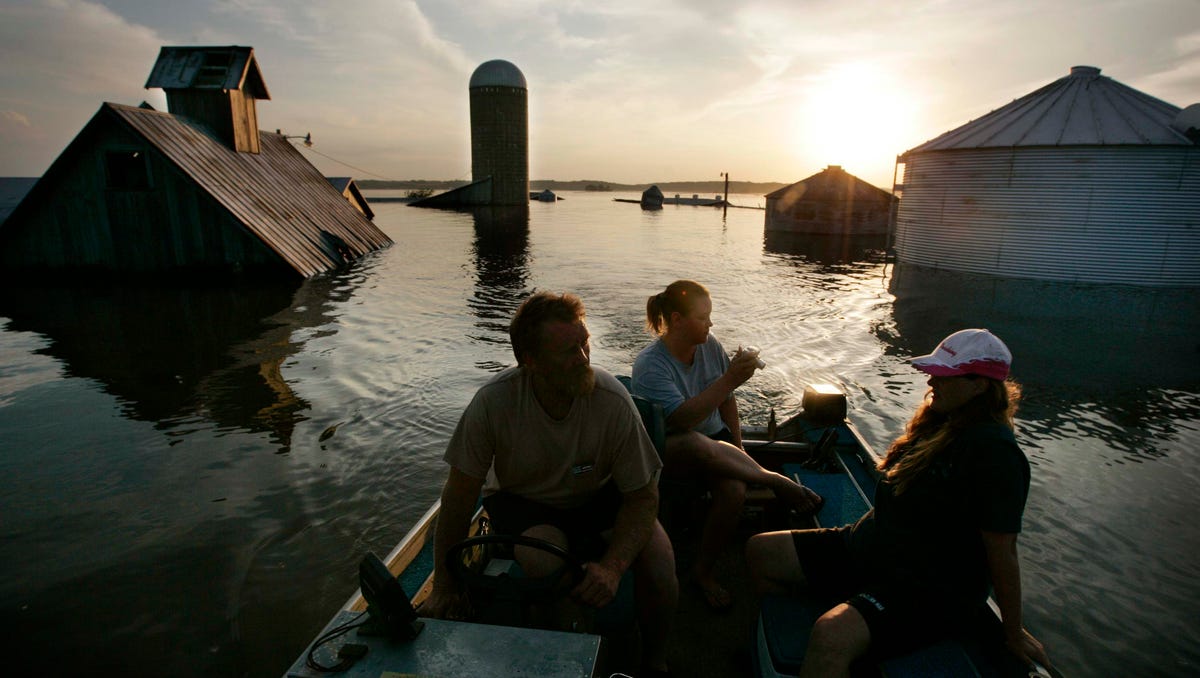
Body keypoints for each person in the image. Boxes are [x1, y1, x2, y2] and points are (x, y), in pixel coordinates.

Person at [745, 329, 1052, 677]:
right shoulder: (941, 422)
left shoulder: (996, 454)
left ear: (979, 385)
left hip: (924, 587)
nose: (932, 380)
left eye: (945, 374)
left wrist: (1012, 631)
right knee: (761, 552)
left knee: (831, 636)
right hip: (871, 549)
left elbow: (1002, 549)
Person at [421, 291, 677, 676]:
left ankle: (655, 662)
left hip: (598, 496)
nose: (584, 359)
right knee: (548, 562)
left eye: (585, 344)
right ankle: (574, 657)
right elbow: (458, 498)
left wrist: (612, 567)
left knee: (660, 562)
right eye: (569, 351)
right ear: (530, 361)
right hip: (526, 503)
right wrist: (444, 583)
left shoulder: (611, 401)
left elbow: (642, 497)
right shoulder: (494, 402)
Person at [631, 280, 822, 611]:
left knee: (733, 491)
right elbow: (682, 421)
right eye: (703, 317)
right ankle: (775, 480)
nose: (711, 324)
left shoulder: (710, 346)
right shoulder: (651, 364)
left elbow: (727, 402)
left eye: (711, 316)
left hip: (714, 440)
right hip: (671, 447)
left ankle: (702, 573)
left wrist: (738, 447)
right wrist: (730, 378)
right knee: (694, 442)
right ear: (676, 320)